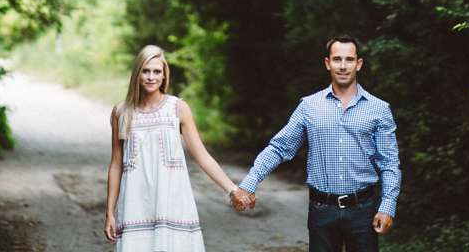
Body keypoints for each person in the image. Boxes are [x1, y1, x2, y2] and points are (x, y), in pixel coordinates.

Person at [231, 36, 400, 252]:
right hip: (322, 211)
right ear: (328, 63)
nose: (343, 66)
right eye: (337, 59)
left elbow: (389, 163)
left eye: (349, 60)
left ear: (358, 64)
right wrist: (249, 183)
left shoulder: (379, 109)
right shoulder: (309, 106)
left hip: (363, 210)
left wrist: (388, 206)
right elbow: (280, 147)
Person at [104, 45, 247, 251]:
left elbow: (203, 157)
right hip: (134, 205)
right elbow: (116, 165)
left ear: (164, 76)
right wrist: (110, 213)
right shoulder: (121, 112)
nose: (151, 77)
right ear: (137, 74)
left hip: (172, 205)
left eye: (157, 71)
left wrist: (233, 189)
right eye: (145, 71)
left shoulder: (178, 108)